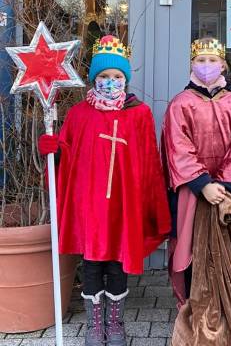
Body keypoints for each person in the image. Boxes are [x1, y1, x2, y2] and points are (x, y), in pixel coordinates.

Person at [38, 35, 171, 346]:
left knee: (118, 262)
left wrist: (151, 206)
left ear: (125, 78)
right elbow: (67, 160)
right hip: (91, 205)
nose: (110, 83)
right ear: (94, 79)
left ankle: (115, 322)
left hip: (124, 204)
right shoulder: (79, 115)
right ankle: (95, 325)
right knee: (93, 262)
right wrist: (53, 151)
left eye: (117, 77)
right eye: (104, 77)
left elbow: (149, 162)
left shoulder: (138, 114)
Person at [161, 37, 231, 346]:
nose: (207, 66)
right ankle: (197, 313)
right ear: (192, 65)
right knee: (193, 250)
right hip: (193, 192)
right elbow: (176, 147)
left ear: (223, 65)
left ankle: (227, 312)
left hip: (228, 192)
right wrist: (202, 184)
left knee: (227, 249)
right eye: (201, 60)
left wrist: (226, 185)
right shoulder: (180, 103)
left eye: (213, 60)